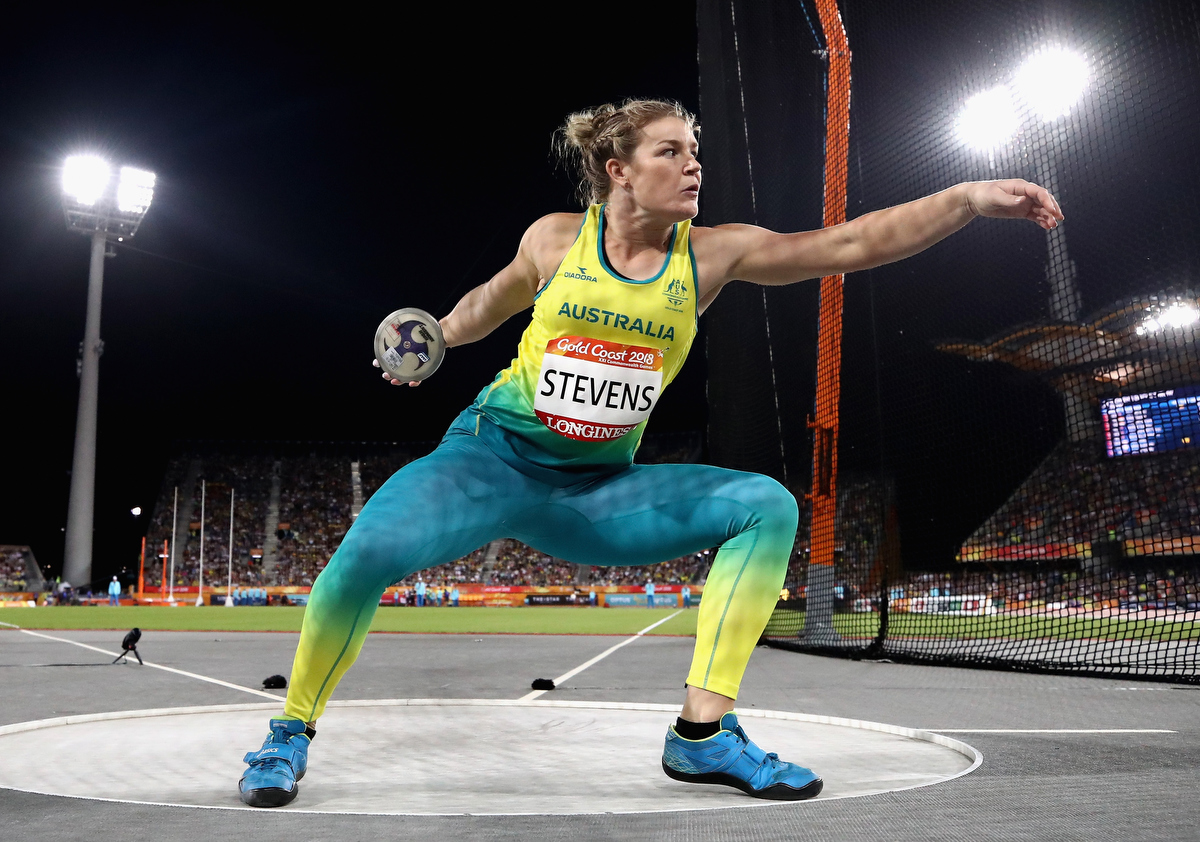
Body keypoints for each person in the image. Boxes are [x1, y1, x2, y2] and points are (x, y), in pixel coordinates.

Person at [237, 98, 1062, 808]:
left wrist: (965, 199)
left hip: (595, 493)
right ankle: (289, 730)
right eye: (672, 151)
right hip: (489, 463)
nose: (694, 166)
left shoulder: (711, 256)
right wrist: (433, 339)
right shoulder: (557, 240)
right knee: (363, 554)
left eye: (696, 152)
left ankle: (702, 736)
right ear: (618, 169)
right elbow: (486, 305)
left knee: (766, 506)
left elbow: (851, 245)